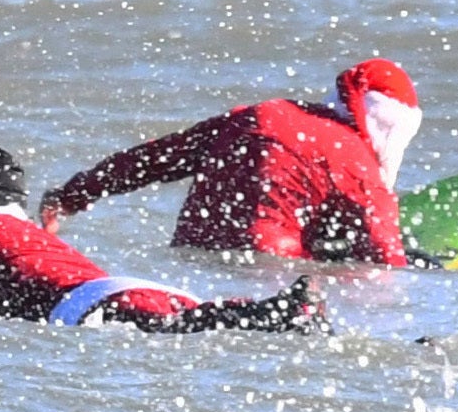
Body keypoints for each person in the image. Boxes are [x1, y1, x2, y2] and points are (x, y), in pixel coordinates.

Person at [0, 147, 328, 334]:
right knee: (195, 319)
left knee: (183, 328)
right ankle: (278, 312)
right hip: (131, 289)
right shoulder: (23, 233)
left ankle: (277, 313)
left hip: (100, 306)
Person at [38, 59, 425, 267]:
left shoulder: (260, 114)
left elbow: (153, 159)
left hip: (192, 259)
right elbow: (384, 259)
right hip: (270, 272)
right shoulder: (359, 166)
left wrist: (72, 195)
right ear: (393, 129)